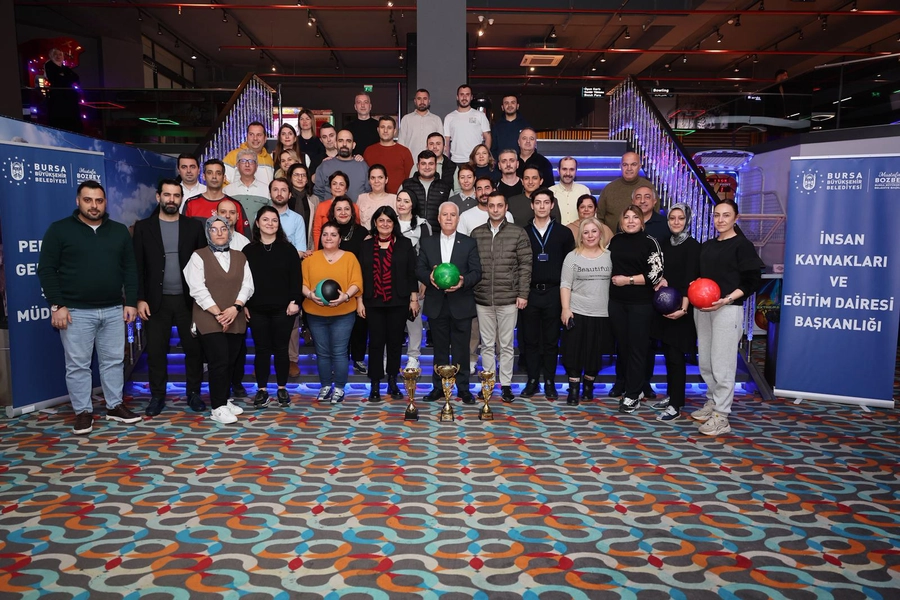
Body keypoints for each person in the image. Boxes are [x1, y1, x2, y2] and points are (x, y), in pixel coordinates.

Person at [37, 180, 142, 435]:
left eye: (99, 200)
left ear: (105, 203)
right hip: (75, 312)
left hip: (113, 310)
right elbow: (47, 270)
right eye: (88, 200)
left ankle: (115, 406)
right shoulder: (59, 230)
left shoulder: (118, 231)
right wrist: (57, 305)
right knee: (78, 365)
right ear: (78, 201)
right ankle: (83, 412)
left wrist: (130, 302)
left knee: (114, 361)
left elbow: (130, 269)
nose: (94, 206)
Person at [132, 178, 206, 417]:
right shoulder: (143, 228)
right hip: (156, 301)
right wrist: (140, 299)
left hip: (188, 300)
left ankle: (193, 393)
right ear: (158, 197)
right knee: (156, 351)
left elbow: (203, 265)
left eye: (176, 196)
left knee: (194, 350)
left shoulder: (194, 227)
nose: (171, 200)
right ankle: (157, 396)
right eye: (167, 195)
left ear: (181, 199)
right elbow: (137, 267)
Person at [691, 200, 764, 436]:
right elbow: (702, 276)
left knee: (722, 364)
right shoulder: (707, 246)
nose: (720, 220)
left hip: (727, 309)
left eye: (726, 215)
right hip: (704, 309)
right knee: (706, 362)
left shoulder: (742, 245)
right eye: (717, 215)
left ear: (736, 218)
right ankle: (712, 401)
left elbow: (752, 280)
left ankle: (722, 416)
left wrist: (728, 299)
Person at [183, 216, 254, 424]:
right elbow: (197, 288)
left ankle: (224, 399)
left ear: (229, 231)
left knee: (231, 360)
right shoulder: (198, 256)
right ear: (208, 233)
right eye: (214, 229)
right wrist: (219, 314)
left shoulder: (240, 256)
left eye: (223, 228)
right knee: (219, 361)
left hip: (235, 316)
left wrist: (235, 308)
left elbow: (248, 285)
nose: (220, 232)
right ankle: (217, 407)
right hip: (208, 318)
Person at [417, 202, 482, 405]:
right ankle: (438, 387)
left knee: (462, 350)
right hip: (437, 304)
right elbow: (419, 268)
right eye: (444, 214)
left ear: (458, 218)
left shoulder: (469, 243)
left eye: (452, 215)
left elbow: (476, 272)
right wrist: (429, 277)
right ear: (438, 218)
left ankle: (463, 388)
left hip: (461, 303)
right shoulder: (427, 242)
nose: (448, 218)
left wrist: (462, 281)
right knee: (440, 349)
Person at [471, 193, 532, 404]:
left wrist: (523, 294)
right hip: (483, 298)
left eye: (499, 205)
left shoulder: (518, 233)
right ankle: (487, 384)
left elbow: (525, 266)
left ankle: (505, 385)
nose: (495, 209)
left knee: (506, 345)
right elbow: (472, 266)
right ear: (487, 207)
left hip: (509, 298)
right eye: (492, 205)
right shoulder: (476, 233)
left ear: (506, 208)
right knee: (487, 344)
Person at [358, 206, 419, 402]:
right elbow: (360, 276)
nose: (385, 224)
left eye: (389, 221)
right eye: (381, 220)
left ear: (394, 224)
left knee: (394, 343)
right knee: (376, 343)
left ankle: (393, 381)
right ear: (375, 223)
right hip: (373, 300)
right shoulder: (366, 245)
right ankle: (375, 383)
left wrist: (414, 299)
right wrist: (359, 300)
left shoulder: (405, 244)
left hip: (398, 301)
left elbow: (411, 273)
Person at [607, 205, 665, 414]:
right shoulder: (615, 241)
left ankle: (633, 395)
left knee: (637, 349)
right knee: (623, 347)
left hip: (641, 304)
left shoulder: (650, 242)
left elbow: (656, 274)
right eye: (626, 217)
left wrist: (628, 280)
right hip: (617, 303)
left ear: (642, 221)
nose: (630, 221)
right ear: (621, 221)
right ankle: (629, 386)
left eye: (635, 217)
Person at [243, 206, 301, 409]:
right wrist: (243, 305)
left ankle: (282, 388)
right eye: (265, 220)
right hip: (256, 309)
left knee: (281, 349)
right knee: (261, 350)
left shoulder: (288, 249)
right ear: (257, 223)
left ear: (279, 224)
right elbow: (243, 281)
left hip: (284, 309)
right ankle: (262, 390)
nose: (270, 223)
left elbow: (296, 278)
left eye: (274, 220)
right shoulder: (248, 251)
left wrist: (295, 301)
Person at [520, 189, 575, 399]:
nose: (542, 206)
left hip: (554, 292)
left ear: (552, 205)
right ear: (532, 205)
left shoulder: (563, 233)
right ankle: (533, 380)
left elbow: (570, 265)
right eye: (538, 202)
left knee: (552, 340)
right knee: (530, 340)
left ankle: (550, 381)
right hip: (530, 292)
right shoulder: (523, 232)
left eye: (546, 202)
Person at [301, 221, 363, 405]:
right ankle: (326, 385)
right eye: (325, 234)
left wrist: (345, 296)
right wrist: (310, 295)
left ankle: (340, 387)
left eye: (333, 234)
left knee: (339, 352)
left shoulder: (350, 258)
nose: (329, 238)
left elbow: (357, 282)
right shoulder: (310, 258)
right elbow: (302, 283)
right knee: (322, 352)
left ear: (340, 238)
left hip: (344, 313)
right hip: (315, 313)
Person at [650, 203, 700, 423]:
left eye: (681, 218)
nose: (676, 222)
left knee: (677, 357)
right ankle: (672, 395)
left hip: (682, 309)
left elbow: (691, 279)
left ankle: (676, 405)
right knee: (669, 355)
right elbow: (659, 271)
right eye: (672, 218)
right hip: (665, 307)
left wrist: (684, 308)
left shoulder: (693, 246)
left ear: (687, 220)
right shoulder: (664, 243)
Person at [560, 217, 613, 406]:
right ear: (581, 236)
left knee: (594, 353)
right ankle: (573, 389)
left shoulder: (610, 256)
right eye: (586, 232)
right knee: (573, 353)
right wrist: (565, 309)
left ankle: (589, 386)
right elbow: (565, 284)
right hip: (577, 311)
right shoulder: (572, 256)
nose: (590, 235)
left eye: (594, 231)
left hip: (602, 313)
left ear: (600, 233)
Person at [327, 197, 369, 375]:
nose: (343, 212)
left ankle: (358, 359)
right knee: (336, 327)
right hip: (333, 286)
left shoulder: (362, 232)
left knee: (360, 324)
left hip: (357, 285)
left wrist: (359, 297)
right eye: (339, 209)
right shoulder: (328, 231)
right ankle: (338, 360)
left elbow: (366, 264)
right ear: (333, 212)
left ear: (352, 212)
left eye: (347, 209)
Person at [396, 190, 431, 370]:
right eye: (399, 200)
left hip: (415, 279)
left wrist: (425, 280)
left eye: (406, 201)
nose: (401, 204)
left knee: (414, 319)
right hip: (391, 279)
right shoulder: (389, 221)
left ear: (413, 204)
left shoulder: (422, 225)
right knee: (393, 320)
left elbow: (427, 254)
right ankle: (389, 357)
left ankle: (413, 357)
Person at [183, 159, 250, 235]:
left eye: (218, 173)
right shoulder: (191, 204)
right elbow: (184, 235)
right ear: (204, 176)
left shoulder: (235, 205)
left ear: (224, 178)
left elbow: (244, 237)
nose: (214, 177)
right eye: (209, 173)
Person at [597, 152, 653, 232]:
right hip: (612, 238)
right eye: (625, 165)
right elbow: (599, 218)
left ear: (639, 167)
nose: (629, 168)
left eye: (633, 164)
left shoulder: (649, 188)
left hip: (643, 238)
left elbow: (655, 217)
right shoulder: (609, 189)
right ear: (620, 167)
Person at [399, 150, 452, 233]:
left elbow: (451, 213)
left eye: (431, 164)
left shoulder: (445, 187)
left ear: (436, 166)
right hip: (410, 234)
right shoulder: (406, 185)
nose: (427, 167)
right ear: (418, 166)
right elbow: (398, 209)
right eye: (423, 164)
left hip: (437, 235)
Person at [312, 130, 370, 202]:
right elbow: (318, 195)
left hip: (358, 209)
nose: (344, 144)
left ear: (353, 145)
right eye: (340, 141)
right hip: (329, 209)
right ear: (336, 144)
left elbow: (369, 193)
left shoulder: (363, 166)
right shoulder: (325, 165)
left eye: (348, 141)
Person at [363, 116, 414, 195]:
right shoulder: (369, 151)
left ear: (394, 131)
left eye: (389, 128)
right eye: (382, 127)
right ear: (378, 130)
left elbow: (410, 179)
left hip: (398, 198)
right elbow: (364, 177)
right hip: (374, 197)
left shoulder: (404, 152)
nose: (385, 130)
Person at [444, 84, 491, 166]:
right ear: (457, 97)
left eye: (467, 94)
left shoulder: (480, 115)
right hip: (456, 161)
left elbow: (488, 137)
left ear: (471, 97)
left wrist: (484, 157)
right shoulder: (449, 117)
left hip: (475, 161)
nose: (464, 97)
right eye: (462, 94)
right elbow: (446, 142)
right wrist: (447, 162)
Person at [311, 172, 361, 249]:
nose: (337, 187)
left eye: (341, 184)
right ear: (330, 187)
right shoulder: (322, 206)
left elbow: (357, 229)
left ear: (346, 188)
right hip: (326, 247)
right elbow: (317, 231)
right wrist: (318, 250)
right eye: (334, 184)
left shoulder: (354, 207)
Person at [224, 149, 270, 223]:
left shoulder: (267, 190)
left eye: (251, 161)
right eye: (243, 161)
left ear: (256, 166)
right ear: (237, 165)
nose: (247, 165)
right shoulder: (227, 190)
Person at [44, 48, 82, 133]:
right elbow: (55, 79)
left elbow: (76, 78)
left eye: (60, 54)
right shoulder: (49, 65)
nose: (58, 56)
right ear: (52, 56)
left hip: (68, 98)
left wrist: (64, 77)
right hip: (57, 98)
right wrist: (65, 78)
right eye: (56, 54)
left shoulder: (65, 68)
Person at [398, 88, 444, 158]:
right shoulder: (406, 119)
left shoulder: (436, 119)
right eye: (419, 98)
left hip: (431, 161)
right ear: (415, 101)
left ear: (429, 101)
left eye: (425, 99)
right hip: (411, 161)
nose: (422, 101)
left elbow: (441, 143)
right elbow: (401, 143)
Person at [268, 177, 307, 254]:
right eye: (275, 190)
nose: (279, 194)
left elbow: (301, 250)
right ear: (270, 194)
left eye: (283, 190)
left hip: (289, 260)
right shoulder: (261, 217)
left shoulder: (297, 219)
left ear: (289, 195)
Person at [286, 162, 320, 247]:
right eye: (296, 175)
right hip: (286, 244)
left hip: (308, 245)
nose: (300, 178)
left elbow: (316, 226)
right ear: (290, 178)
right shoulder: (285, 197)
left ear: (307, 179)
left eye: (303, 175)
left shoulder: (314, 199)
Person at [550, 157, 592, 224]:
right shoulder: (550, 192)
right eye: (564, 169)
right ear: (558, 170)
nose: (568, 173)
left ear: (576, 171)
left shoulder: (584, 191)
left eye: (571, 169)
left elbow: (591, 218)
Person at [357, 164, 398, 230]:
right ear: (369, 181)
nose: (376, 181)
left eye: (380, 177)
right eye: (373, 178)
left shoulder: (394, 199)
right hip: (364, 236)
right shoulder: (361, 198)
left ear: (386, 180)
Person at [490, 94, 530, 161]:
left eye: (513, 102)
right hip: (502, 164)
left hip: (522, 164)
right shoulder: (496, 127)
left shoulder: (525, 126)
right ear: (502, 107)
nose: (509, 105)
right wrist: (498, 163)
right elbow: (493, 150)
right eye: (506, 103)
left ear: (517, 106)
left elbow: (530, 148)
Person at [297, 109, 326, 174]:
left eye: (307, 119)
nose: (304, 121)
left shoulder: (319, 142)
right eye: (301, 119)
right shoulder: (295, 141)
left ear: (312, 121)